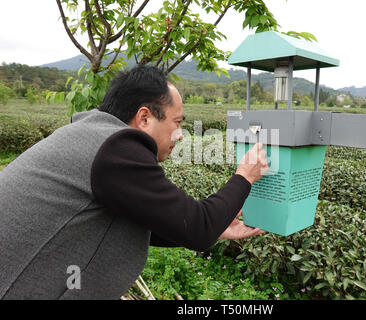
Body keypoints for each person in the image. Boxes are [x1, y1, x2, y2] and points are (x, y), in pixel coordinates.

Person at [0, 65, 269, 300]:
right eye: (177, 123)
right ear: (144, 118)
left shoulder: (91, 134)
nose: (180, 135)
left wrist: (217, 225)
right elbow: (197, 227)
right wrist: (244, 176)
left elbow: (137, 218)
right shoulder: (117, 148)